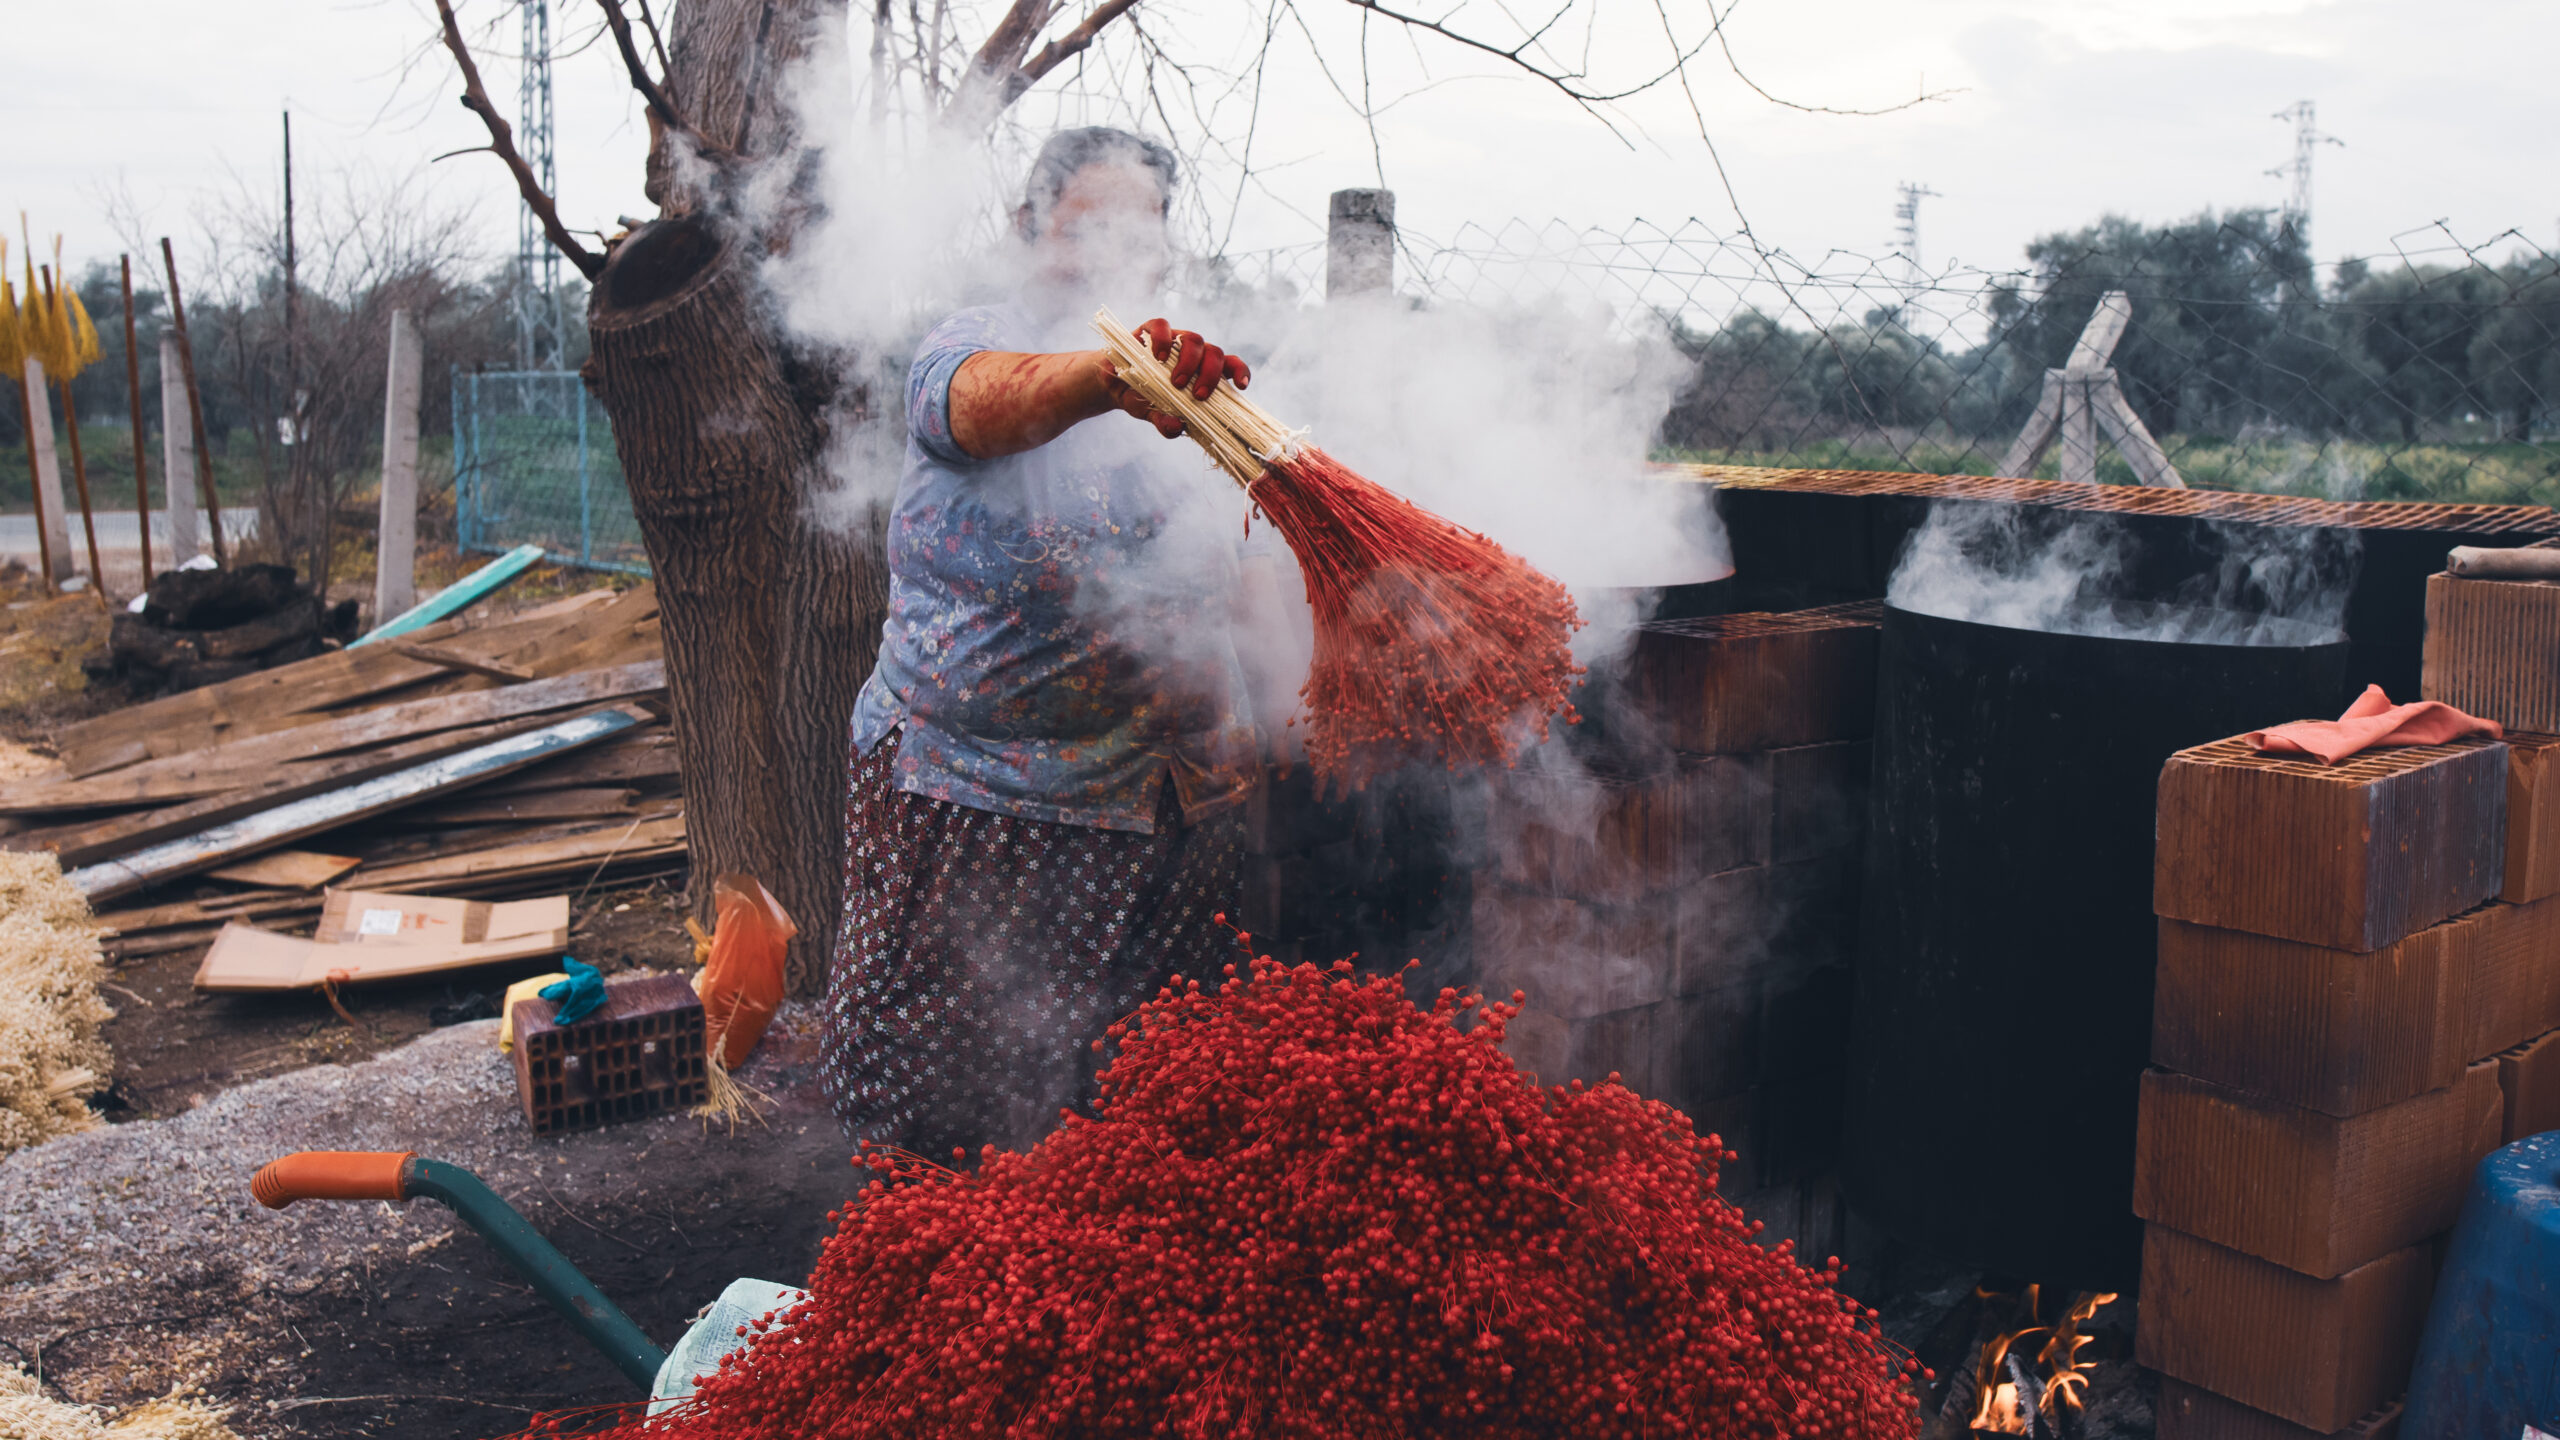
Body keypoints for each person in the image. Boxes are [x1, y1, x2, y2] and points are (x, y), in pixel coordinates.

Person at [820, 127, 1283, 1155]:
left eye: (1142, 227)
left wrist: (1302, 702)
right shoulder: (971, 346)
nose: (1117, 250)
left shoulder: (1200, 392)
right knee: (956, 1114)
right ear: (1025, 229)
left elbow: (1238, 559)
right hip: (986, 808)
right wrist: (1107, 379)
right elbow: (983, 411)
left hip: (1173, 800)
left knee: (1137, 1108)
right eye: (1087, 226)